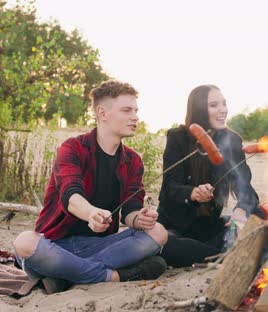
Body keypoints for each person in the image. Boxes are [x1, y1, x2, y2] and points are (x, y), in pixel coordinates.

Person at [12, 81, 169, 294]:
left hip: (101, 245)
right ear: (102, 113)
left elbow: (130, 210)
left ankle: (66, 276)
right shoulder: (73, 148)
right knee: (24, 243)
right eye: (127, 110)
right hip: (56, 245)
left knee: (158, 232)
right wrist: (91, 213)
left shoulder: (133, 161)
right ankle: (111, 276)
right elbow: (70, 194)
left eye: (136, 110)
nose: (135, 117)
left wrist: (138, 219)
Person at [157, 85, 260, 267]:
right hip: (176, 229)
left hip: (211, 228)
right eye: (214, 105)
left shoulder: (232, 141)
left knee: (261, 218)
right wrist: (193, 193)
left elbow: (247, 191)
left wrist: (240, 210)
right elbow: (170, 188)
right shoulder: (178, 137)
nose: (223, 110)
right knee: (167, 244)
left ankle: (211, 255)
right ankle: (222, 255)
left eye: (224, 104)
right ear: (199, 110)